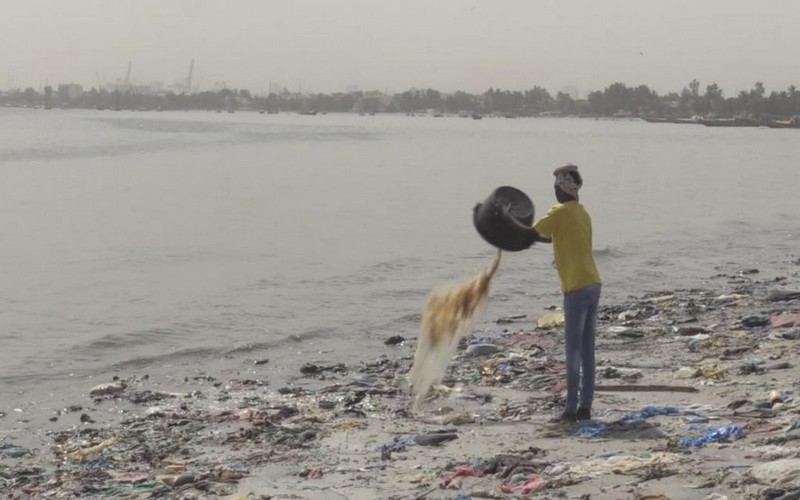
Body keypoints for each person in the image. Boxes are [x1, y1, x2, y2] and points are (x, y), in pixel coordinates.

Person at [507, 164, 602, 422]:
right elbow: (553, 238)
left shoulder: (559, 211)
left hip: (576, 287)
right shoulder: (581, 213)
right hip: (593, 283)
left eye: (556, 188)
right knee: (586, 349)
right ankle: (585, 406)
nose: (555, 193)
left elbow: (531, 232)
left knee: (572, 350)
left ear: (562, 189)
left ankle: (571, 410)